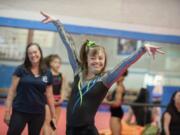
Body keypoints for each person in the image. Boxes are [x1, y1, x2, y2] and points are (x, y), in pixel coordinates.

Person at [40, 11, 164, 135]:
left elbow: (125, 64)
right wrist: (57, 23)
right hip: (70, 130)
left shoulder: (105, 78)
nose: (97, 61)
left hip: (87, 131)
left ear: (104, 61)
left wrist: (142, 50)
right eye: (93, 58)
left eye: (100, 58)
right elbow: (69, 45)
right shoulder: (78, 71)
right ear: (87, 60)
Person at [4, 43, 56, 135]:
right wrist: (7, 112)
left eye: (35, 52)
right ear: (27, 56)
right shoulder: (20, 69)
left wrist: (53, 116)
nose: (33, 55)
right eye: (30, 53)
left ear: (40, 52)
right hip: (20, 112)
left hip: (38, 113)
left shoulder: (47, 73)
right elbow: (12, 91)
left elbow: (49, 95)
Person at [43, 54, 66, 135]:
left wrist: (62, 98)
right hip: (47, 102)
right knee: (47, 123)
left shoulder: (61, 75)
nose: (58, 64)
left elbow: (63, 88)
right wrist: (50, 100)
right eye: (56, 62)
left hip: (58, 101)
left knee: (54, 123)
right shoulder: (46, 75)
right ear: (50, 63)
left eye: (59, 63)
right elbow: (44, 90)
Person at [103, 70, 128, 135]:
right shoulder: (118, 86)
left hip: (116, 113)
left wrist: (105, 102)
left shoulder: (119, 88)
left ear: (122, 77)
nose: (115, 78)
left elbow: (117, 103)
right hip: (116, 112)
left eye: (118, 76)